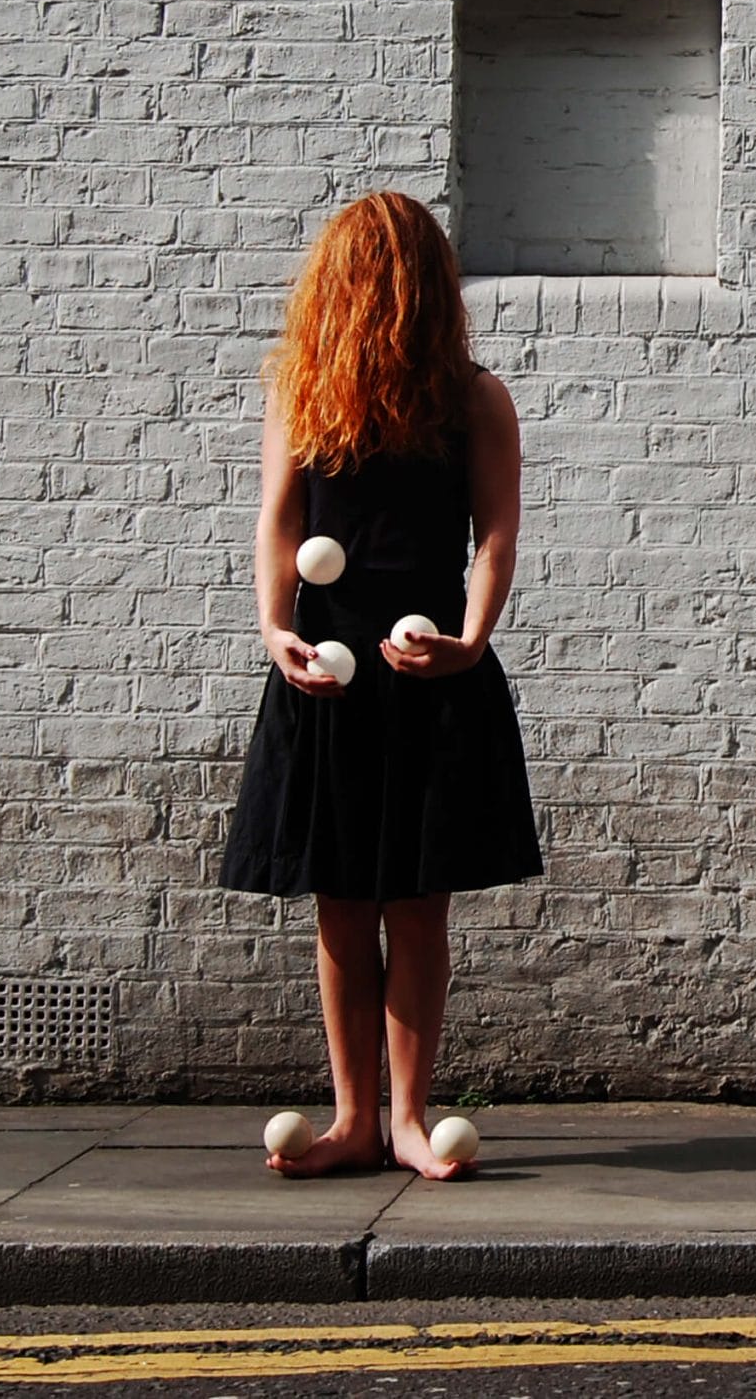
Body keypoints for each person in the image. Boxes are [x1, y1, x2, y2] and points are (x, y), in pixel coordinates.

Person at [220, 191, 541, 1181]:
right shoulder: (302, 394)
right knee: (346, 901)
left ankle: (405, 1118)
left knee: (413, 903)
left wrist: (472, 639)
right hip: (327, 666)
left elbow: (494, 531)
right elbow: (280, 520)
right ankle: (359, 1119)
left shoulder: (472, 399)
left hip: (429, 660)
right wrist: (275, 626)